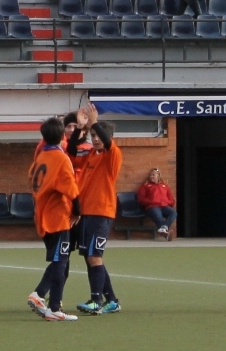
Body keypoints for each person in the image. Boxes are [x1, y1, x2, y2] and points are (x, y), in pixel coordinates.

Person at [70, 104, 123, 315]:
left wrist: (94, 122)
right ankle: (111, 300)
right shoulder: (92, 154)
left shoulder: (113, 155)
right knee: (90, 256)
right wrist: (80, 129)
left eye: (98, 135)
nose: (96, 139)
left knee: (94, 256)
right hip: (87, 213)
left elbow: (108, 143)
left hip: (101, 213)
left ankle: (96, 301)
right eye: (93, 135)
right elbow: (72, 151)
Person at [26, 118, 81, 322]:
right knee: (60, 261)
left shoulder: (41, 157)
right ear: (62, 136)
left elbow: (31, 176)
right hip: (57, 217)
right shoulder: (61, 158)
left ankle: (45, 298)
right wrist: (77, 211)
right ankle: (51, 304)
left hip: (41, 215)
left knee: (60, 260)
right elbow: (71, 189)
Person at [137, 168, 177, 240]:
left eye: (153, 175)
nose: (151, 176)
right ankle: (165, 232)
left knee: (173, 213)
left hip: (164, 206)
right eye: (150, 175)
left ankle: (164, 228)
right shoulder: (146, 186)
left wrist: (168, 202)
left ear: (158, 176)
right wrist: (151, 202)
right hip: (152, 207)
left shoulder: (165, 186)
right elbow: (140, 199)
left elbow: (171, 199)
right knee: (158, 216)